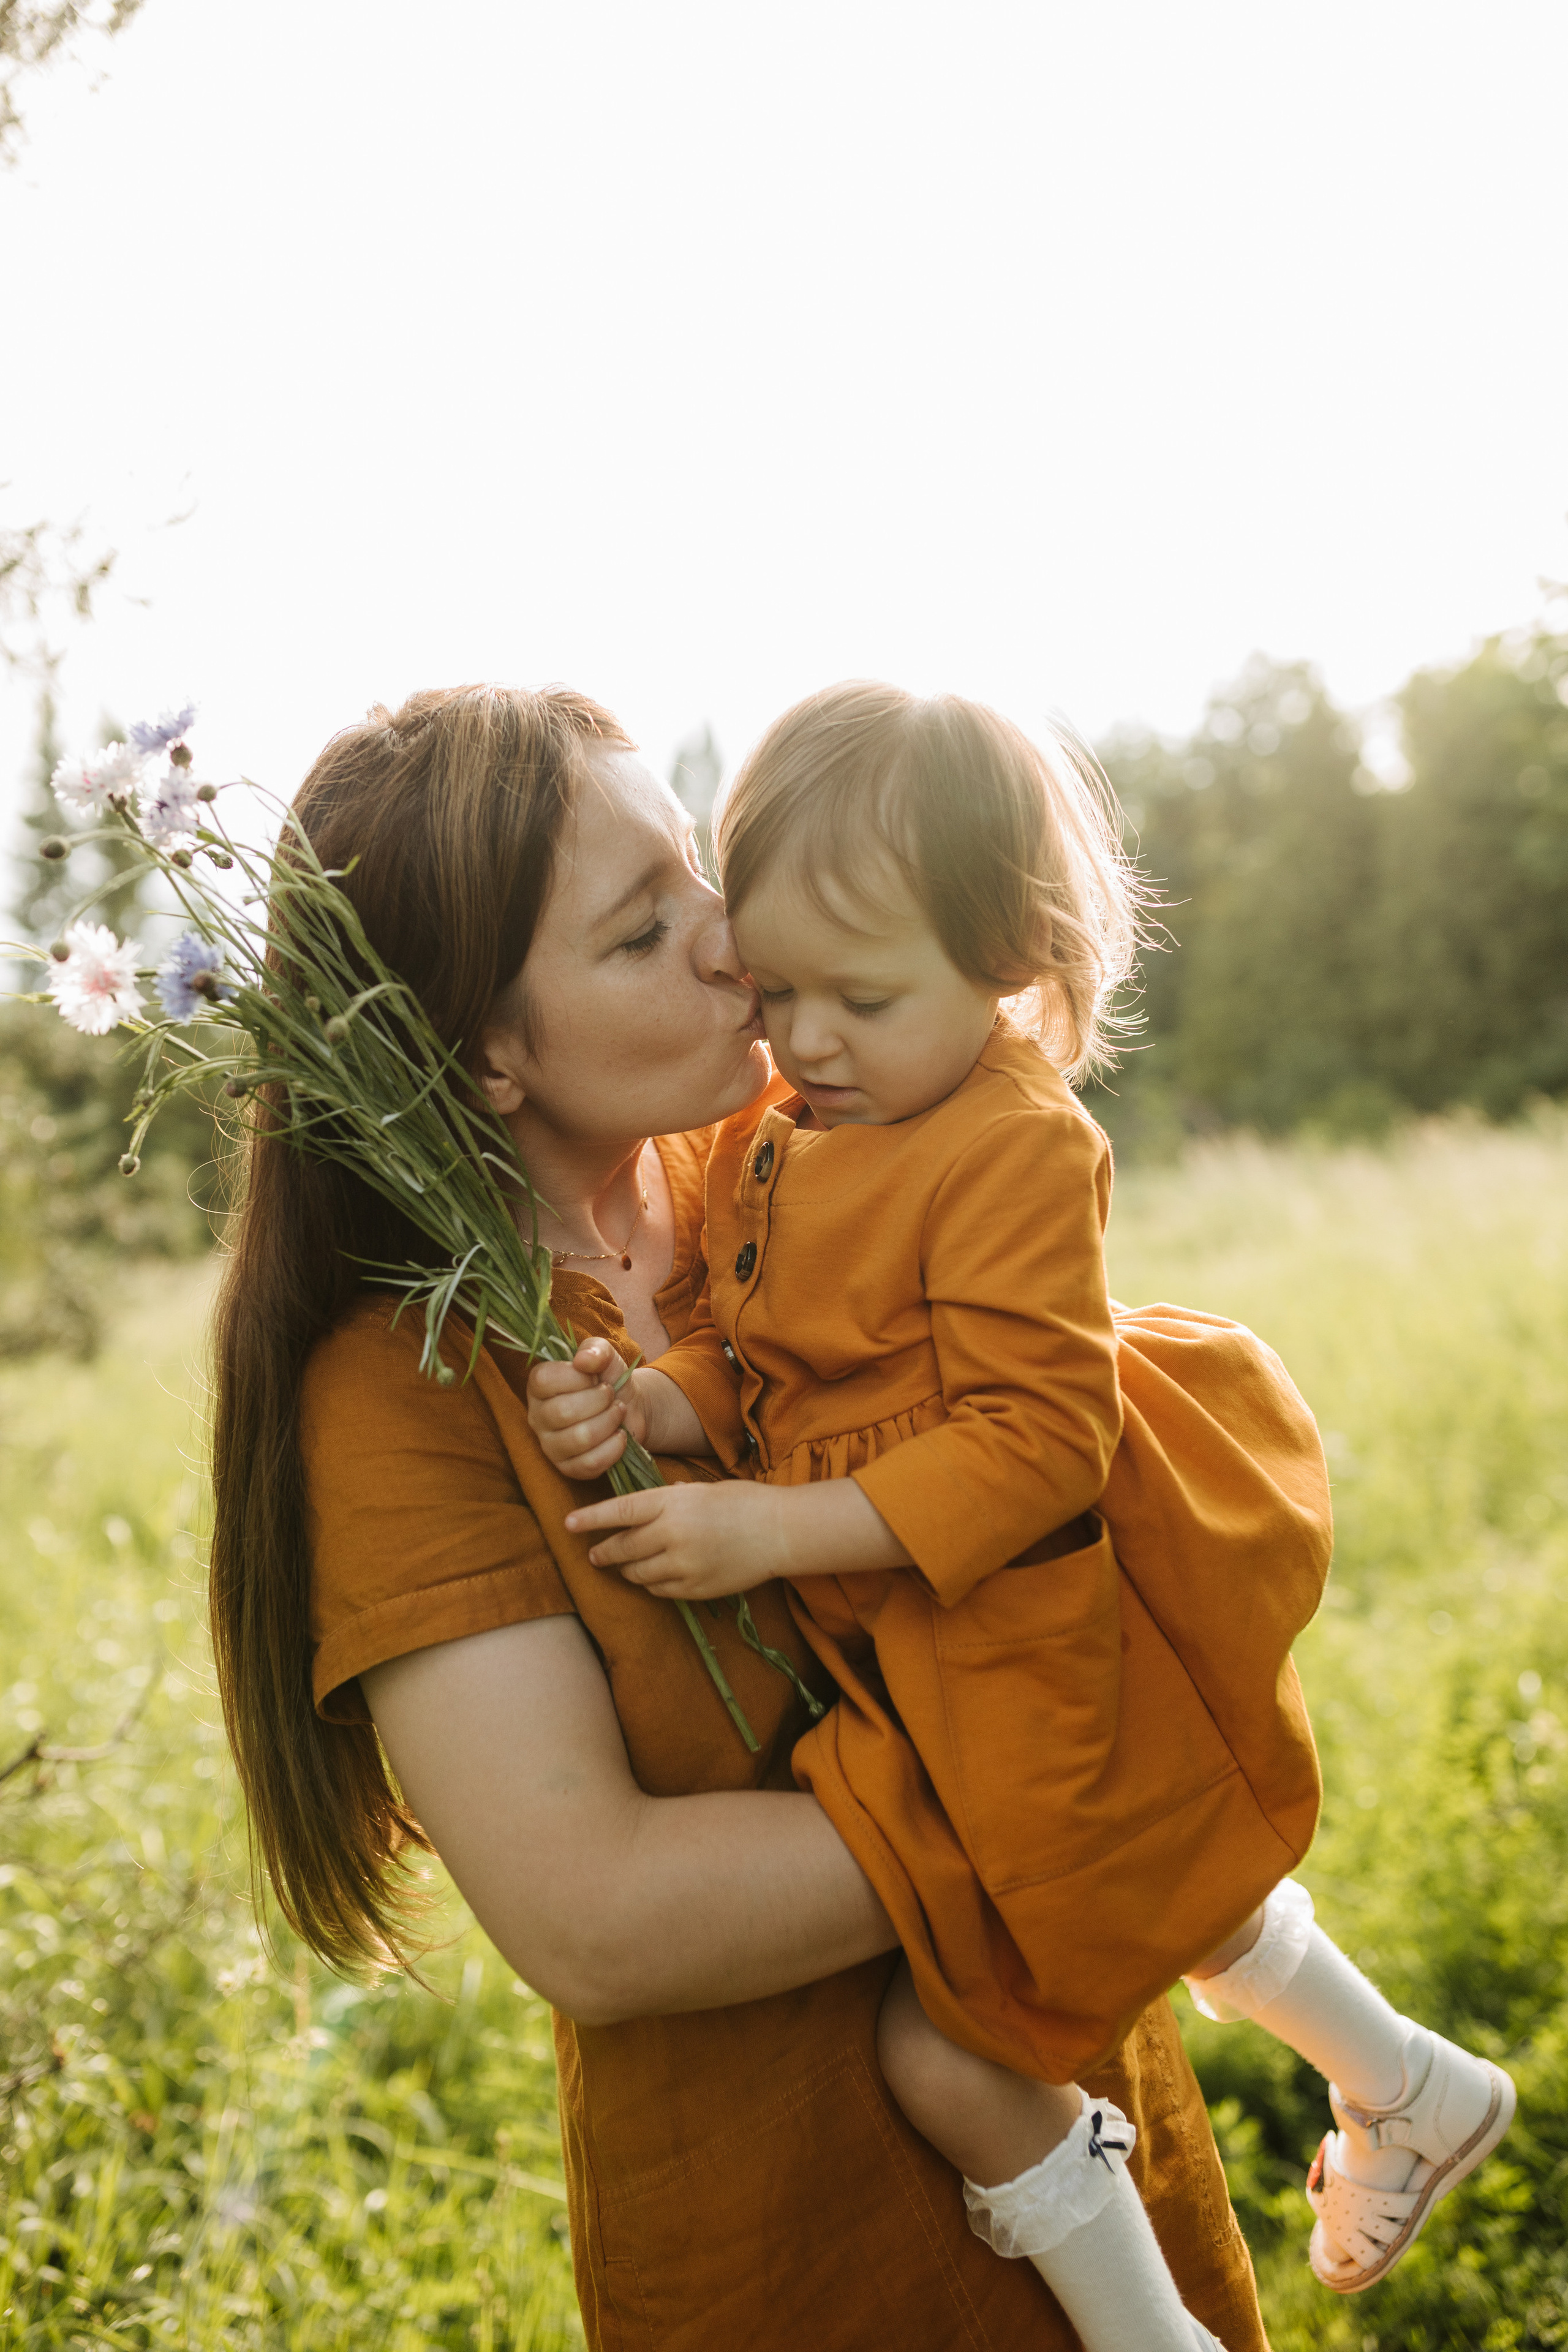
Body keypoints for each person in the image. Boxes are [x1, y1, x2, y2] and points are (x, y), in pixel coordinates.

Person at [208, 681, 1271, 2352]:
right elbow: (600, 1917)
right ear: (487, 1052)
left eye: (697, 868)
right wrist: (1076, 1795)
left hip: (1062, 2082)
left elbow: (1056, 1461)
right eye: (643, 933)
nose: (732, 943)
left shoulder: (794, 1161)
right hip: (794, 2216)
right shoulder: (402, 1386)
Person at [529, 682, 1516, 2345]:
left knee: (958, 2047)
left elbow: (1043, 1440)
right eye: (776, 990)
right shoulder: (794, 1126)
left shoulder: (1009, 1149)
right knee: (1151, 1869)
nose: (808, 1039)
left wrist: (770, 1531)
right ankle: (1405, 2078)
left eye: (864, 995)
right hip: (912, 1656)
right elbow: (755, 1336)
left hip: (1004, 1642)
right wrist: (656, 1401)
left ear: (1007, 963)